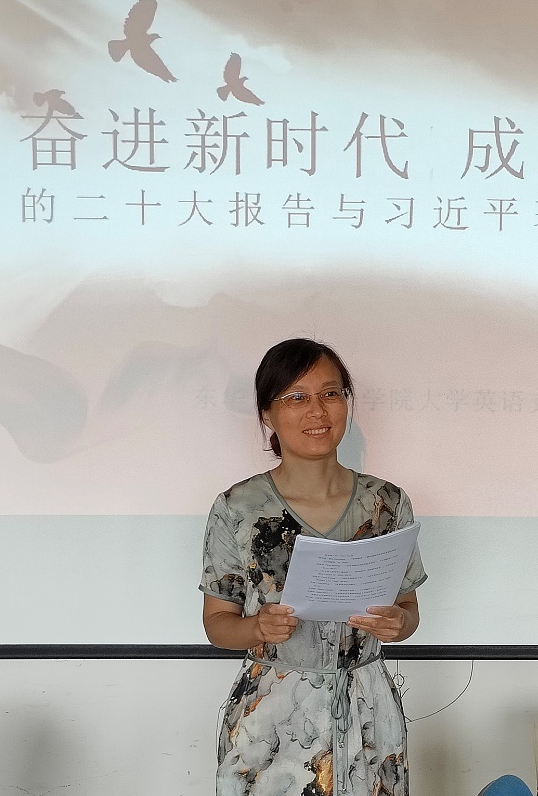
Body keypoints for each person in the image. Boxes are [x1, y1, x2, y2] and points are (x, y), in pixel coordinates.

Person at [199, 338, 426, 796]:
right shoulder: (237, 508)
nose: (317, 410)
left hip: (366, 706)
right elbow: (217, 624)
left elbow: (408, 611)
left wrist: (399, 624)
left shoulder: (385, 502)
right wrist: (256, 628)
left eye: (331, 393)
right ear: (267, 414)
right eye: (297, 397)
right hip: (272, 715)